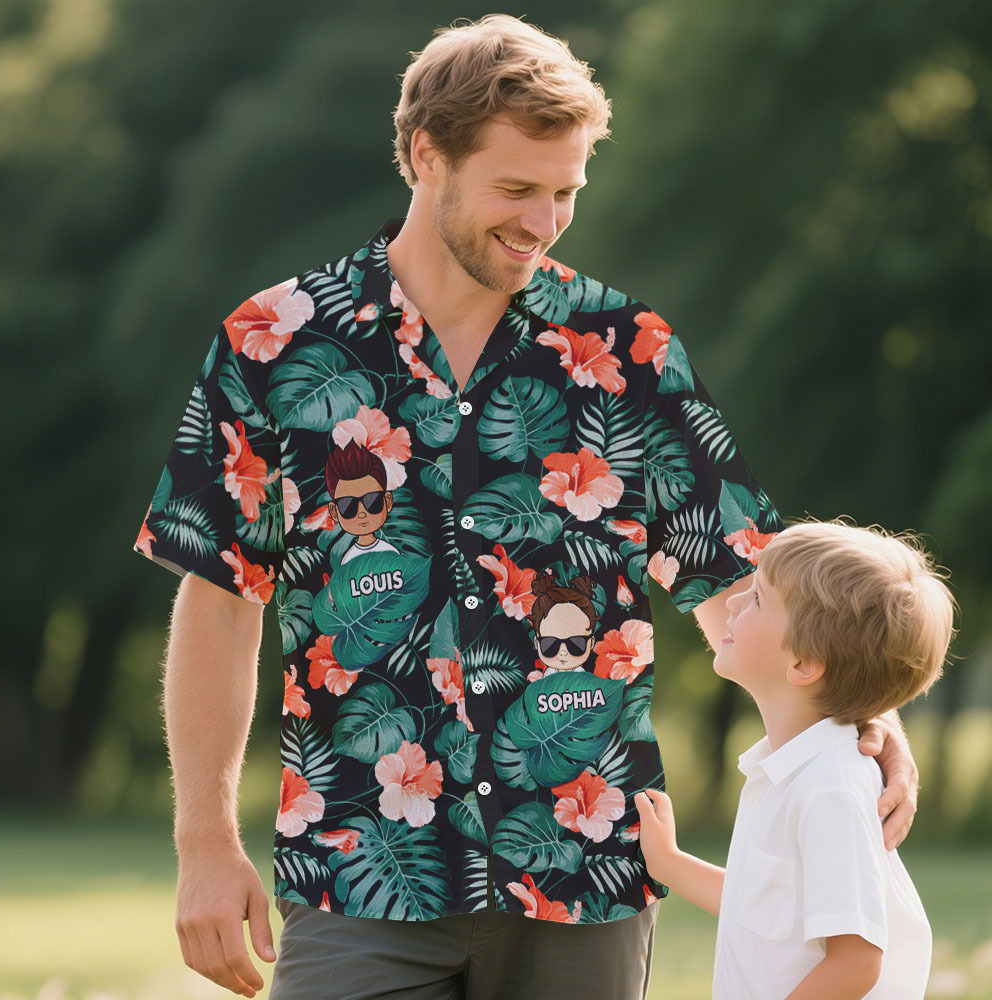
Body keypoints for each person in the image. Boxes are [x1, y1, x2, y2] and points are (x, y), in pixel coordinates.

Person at [133, 14, 923, 1000]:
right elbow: (220, 595)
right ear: (427, 155)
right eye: (515, 189)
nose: (543, 221)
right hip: (360, 874)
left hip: (586, 879)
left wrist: (852, 711)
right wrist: (205, 842)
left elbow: (734, 571)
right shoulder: (273, 344)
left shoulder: (625, 351)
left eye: (566, 193)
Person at [634, 520, 956, 999]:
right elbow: (767, 912)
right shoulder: (790, 771)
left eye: (759, 598)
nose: (734, 601)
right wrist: (670, 864)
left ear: (804, 664)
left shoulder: (831, 787)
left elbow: (857, 962)